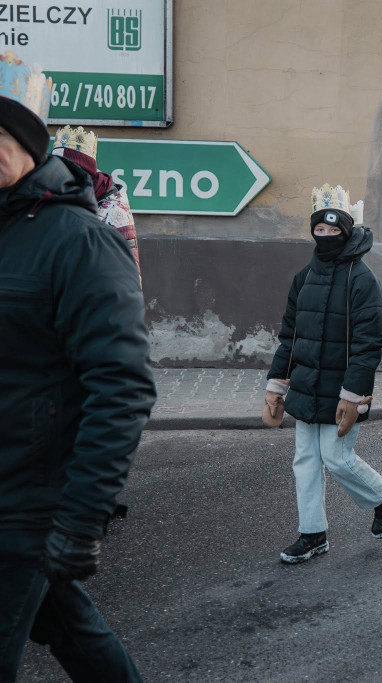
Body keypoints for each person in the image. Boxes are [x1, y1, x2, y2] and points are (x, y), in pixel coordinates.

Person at [0, 56, 156, 681]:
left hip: (28, 505)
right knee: (69, 627)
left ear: (31, 147)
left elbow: (122, 385)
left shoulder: (79, 240)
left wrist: (83, 516)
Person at [264, 184, 382, 564]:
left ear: (347, 230)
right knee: (305, 460)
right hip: (307, 385)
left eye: (333, 230)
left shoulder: (362, 280)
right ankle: (312, 534)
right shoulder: (303, 277)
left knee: (336, 457)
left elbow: (368, 345)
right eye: (319, 231)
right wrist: (276, 386)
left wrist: (352, 394)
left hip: (341, 390)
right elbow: (289, 334)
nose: (325, 237)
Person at [51, 125, 141, 281]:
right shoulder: (55, 198)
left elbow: (129, 276)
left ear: (84, 173)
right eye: (55, 168)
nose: (58, 176)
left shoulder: (115, 212)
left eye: (66, 169)